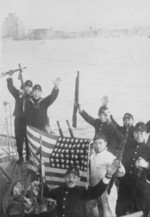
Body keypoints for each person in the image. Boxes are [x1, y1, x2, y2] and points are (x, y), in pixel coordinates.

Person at [42, 163, 120, 217]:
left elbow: (97, 191)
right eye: (68, 177)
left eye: (74, 177)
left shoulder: (82, 192)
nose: (71, 180)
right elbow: (46, 193)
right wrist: (43, 181)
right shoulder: (59, 190)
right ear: (64, 178)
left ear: (78, 180)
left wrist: (108, 175)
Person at [86, 133, 125, 217]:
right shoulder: (92, 156)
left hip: (107, 190)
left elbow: (121, 173)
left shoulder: (110, 157)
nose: (98, 145)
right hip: (94, 188)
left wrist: (119, 165)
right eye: (96, 143)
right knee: (91, 206)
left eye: (100, 143)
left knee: (108, 213)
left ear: (105, 143)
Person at [116, 122, 150, 217]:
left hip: (140, 190)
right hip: (124, 187)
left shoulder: (148, 149)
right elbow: (118, 162)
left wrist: (147, 165)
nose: (139, 135)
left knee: (140, 213)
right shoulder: (126, 146)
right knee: (120, 212)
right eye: (137, 132)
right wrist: (119, 168)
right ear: (133, 133)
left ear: (146, 134)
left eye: (142, 133)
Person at [7, 73, 33, 163]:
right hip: (18, 121)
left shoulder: (33, 97)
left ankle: (28, 157)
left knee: (28, 139)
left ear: (31, 88)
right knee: (19, 139)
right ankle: (21, 157)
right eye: (26, 86)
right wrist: (10, 77)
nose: (28, 88)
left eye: (30, 87)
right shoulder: (18, 94)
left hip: (28, 122)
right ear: (24, 87)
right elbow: (11, 88)